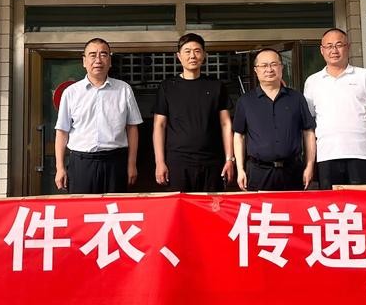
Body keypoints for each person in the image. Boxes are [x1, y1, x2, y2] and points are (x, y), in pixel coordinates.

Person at [303, 27, 366, 189]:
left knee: (364, 202)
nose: (334, 50)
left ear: (348, 47)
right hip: (326, 156)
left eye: (339, 45)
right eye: (329, 46)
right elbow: (309, 126)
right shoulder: (312, 82)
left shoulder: (364, 76)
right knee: (332, 204)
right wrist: (310, 162)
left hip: (362, 154)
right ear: (322, 50)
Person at [54, 38, 142, 193]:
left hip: (115, 162)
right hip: (81, 163)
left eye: (103, 55)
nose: (98, 60)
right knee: (82, 207)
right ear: (84, 61)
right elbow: (62, 132)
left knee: (114, 206)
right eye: (93, 55)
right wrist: (60, 168)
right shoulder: (71, 93)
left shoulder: (124, 90)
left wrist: (132, 164)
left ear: (110, 61)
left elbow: (132, 129)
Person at [153, 33, 234, 191]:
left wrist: (229, 159)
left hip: (212, 160)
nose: (192, 56)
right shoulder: (167, 87)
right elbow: (159, 126)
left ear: (204, 55)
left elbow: (225, 124)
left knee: (212, 204)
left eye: (197, 51)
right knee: (179, 204)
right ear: (179, 56)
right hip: (177, 161)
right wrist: (159, 162)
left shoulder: (216, 86)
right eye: (187, 51)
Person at [232, 48, 316, 191]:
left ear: (281, 67)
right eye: (264, 65)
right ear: (256, 70)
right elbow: (239, 136)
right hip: (258, 172)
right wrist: (240, 169)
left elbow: (308, 133)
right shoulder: (245, 101)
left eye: (273, 64)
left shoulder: (296, 98)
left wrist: (309, 166)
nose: (269, 69)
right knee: (260, 206)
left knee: (293, 205)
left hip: (292, 171)